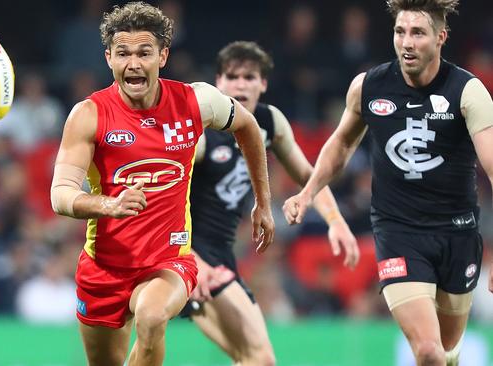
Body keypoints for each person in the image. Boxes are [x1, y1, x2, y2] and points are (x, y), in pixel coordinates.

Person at [49, 3, 275, 366]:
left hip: (169, 262)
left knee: (152, 317)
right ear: (108, 58)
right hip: (103, 268)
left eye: (144, 52)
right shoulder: (89, 114)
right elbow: (60, 194)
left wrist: (262, 202)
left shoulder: (196, 101)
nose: (133, 63)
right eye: (123, 53)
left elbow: (248, 126)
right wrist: (108, 204)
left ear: (163, 55)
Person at [282, 1, 493, 365]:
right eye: (400, 32)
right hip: (399, 232)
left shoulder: (467, 91)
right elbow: (342, 144)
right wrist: (308, 191)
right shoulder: (369, 86)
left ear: (441, 37)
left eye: (418, 33)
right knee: (428, 352)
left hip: (457, 233)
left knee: (445, 349)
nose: (406, 42)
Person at [181, 40, 360, 365]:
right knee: (260, 359)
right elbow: (163, 199)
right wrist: (193, 262)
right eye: (232, 76)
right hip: (187, 255)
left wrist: (337, 222)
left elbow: (310, 176)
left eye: (249, 77)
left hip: (218, 257)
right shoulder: (203, 133)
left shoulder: (268, 122)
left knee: (248, 358)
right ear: (218, 82)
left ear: (263, 83)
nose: (240, 84)